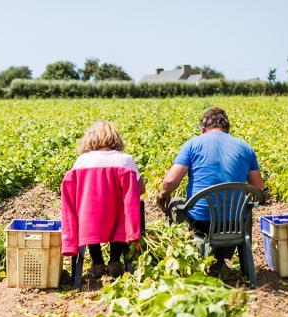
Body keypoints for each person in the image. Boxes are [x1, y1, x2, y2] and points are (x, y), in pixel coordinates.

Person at [156, 107, 264, 272]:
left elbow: (170, 181)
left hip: (201, 221)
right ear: (227, 129)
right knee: (245, 213)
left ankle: (194, 261)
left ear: (203, 128)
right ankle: (222, 259)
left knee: (178, 208)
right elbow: (258, 187)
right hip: (233, 223)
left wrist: (164, 195)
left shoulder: (193, 144)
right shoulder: (245, 148)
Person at [61, 120, 145, 279]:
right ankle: (115, 261)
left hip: (89, 220)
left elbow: (72, 193)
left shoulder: (81, 162)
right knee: (121, 214)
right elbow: (140, 190)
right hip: (116, 219)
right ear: (115, 138)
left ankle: (97, 263)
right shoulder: (125, 160)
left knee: (88, 215)